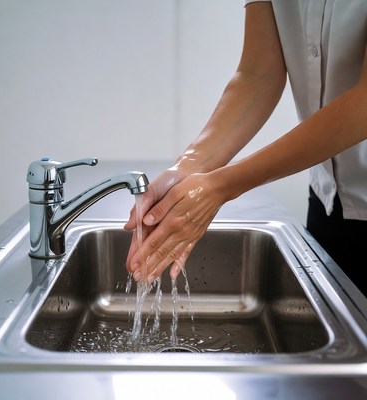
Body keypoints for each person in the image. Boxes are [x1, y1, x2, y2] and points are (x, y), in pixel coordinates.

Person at [124, 0, 367, 297]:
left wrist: (219, 186)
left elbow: (363, 104)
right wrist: (187, 168)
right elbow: (258, 73)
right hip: (329, 200)